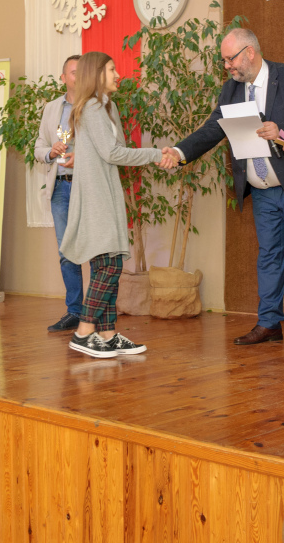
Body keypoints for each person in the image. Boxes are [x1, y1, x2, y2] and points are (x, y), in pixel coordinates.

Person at [162, 28, 284, 348]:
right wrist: (180, 152)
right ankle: (269, 323)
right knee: (269, 258)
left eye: (230, 59)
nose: (227, 66)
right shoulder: (231, 90)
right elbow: (213, 128)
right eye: (223, 61)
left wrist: (283, 130)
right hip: (261, 190)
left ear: (249, 52)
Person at [58, 51, 177, 358]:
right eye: (112, 69)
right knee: (110, 265)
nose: (118, 74)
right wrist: (155, 154)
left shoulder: (107, 106)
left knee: (106, 263)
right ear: (97, 74)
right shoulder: (93, 107)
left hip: (106, 193)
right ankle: (84, 332)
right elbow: (113, 153)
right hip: (96, 196)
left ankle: (108, 334)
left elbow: (110, 151)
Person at [34, 54, 85, 332]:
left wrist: (83, 155)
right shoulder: (52, 108)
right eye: (73, 72)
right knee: (67, 252)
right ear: (63, 78)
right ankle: (74, 312)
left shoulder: (98, 105)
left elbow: (111, 147)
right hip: (61, 187)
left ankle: (98, 312)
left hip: (88, 187)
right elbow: (38, 147)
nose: (79, 76)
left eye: (83, 71)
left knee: (98, 251)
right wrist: (51, 152)